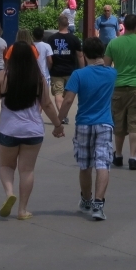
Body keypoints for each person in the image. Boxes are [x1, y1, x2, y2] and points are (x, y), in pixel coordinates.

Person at [0, 40, 65, 220]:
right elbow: (47, 104)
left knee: (6, 166)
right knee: (27, 170)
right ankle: (22, 210)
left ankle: (9, 193)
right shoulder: (38, 78)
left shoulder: (1, 77)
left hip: (8, 130)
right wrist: (58, 125)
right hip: (33, 131)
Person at [57, 38, 117, 221]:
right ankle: (98, 205)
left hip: (84, 123)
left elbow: (67, 100)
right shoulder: (112, 73)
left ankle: (86, 200)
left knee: (85, 165)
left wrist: (58, 122)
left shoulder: (78, 75)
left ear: (84, 54)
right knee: (103, 163)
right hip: (105, 123)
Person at [104, 13, 136, 170]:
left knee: (119, 122)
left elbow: (106, 67)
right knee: (135, 122)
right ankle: (133, 157)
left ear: (124, 26)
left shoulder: (113, 44)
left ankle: (118, 155)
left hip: (118, 88)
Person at [48, 14, 84, 124]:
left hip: (56, 71)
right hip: (70, 71)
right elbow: (80, 55)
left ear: (58, 24)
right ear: (68, 25)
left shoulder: (51, 39)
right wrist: (82, 70)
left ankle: (62, 116)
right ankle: (63, 115)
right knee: (67, 95)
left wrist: (49, 68)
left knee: (58, 94)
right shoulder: (74, 39)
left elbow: (49, 58)